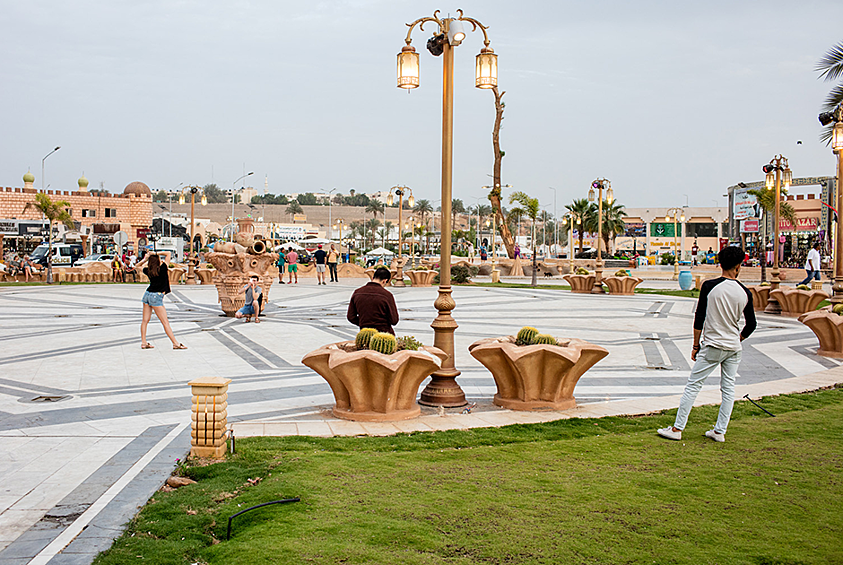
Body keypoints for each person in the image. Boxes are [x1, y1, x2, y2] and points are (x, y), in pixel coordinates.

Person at [657, 246, 756, 443]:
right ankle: (720, 431)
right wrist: (738, 338)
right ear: (738, 266)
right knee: (728, 389)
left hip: (712, 345)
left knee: (693, 385)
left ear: (720, 264)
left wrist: (696, 346)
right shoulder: (745, 292)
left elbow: (699, 317)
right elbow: (751, 324)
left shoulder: (709, 286)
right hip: (733, 347)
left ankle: (677, 428)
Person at [137, 251, 186, 350]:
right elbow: (168, 253)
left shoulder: (148, 270)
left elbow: (137, 266)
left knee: (145, 321)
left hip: (147, 294)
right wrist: (155, 253)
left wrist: (145, 259)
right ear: (158, 261)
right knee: (165, 322)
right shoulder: (163, 268)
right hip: (157, 296)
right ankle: (175, 343)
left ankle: (144, 342)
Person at [347, 266, 399, 334]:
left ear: (372, 278)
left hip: (365, 333)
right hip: (384, 333)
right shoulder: (387, 295)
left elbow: (350, 317)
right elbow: (394, 320)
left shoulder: (357, 292)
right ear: (385, 281)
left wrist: (363, 323)